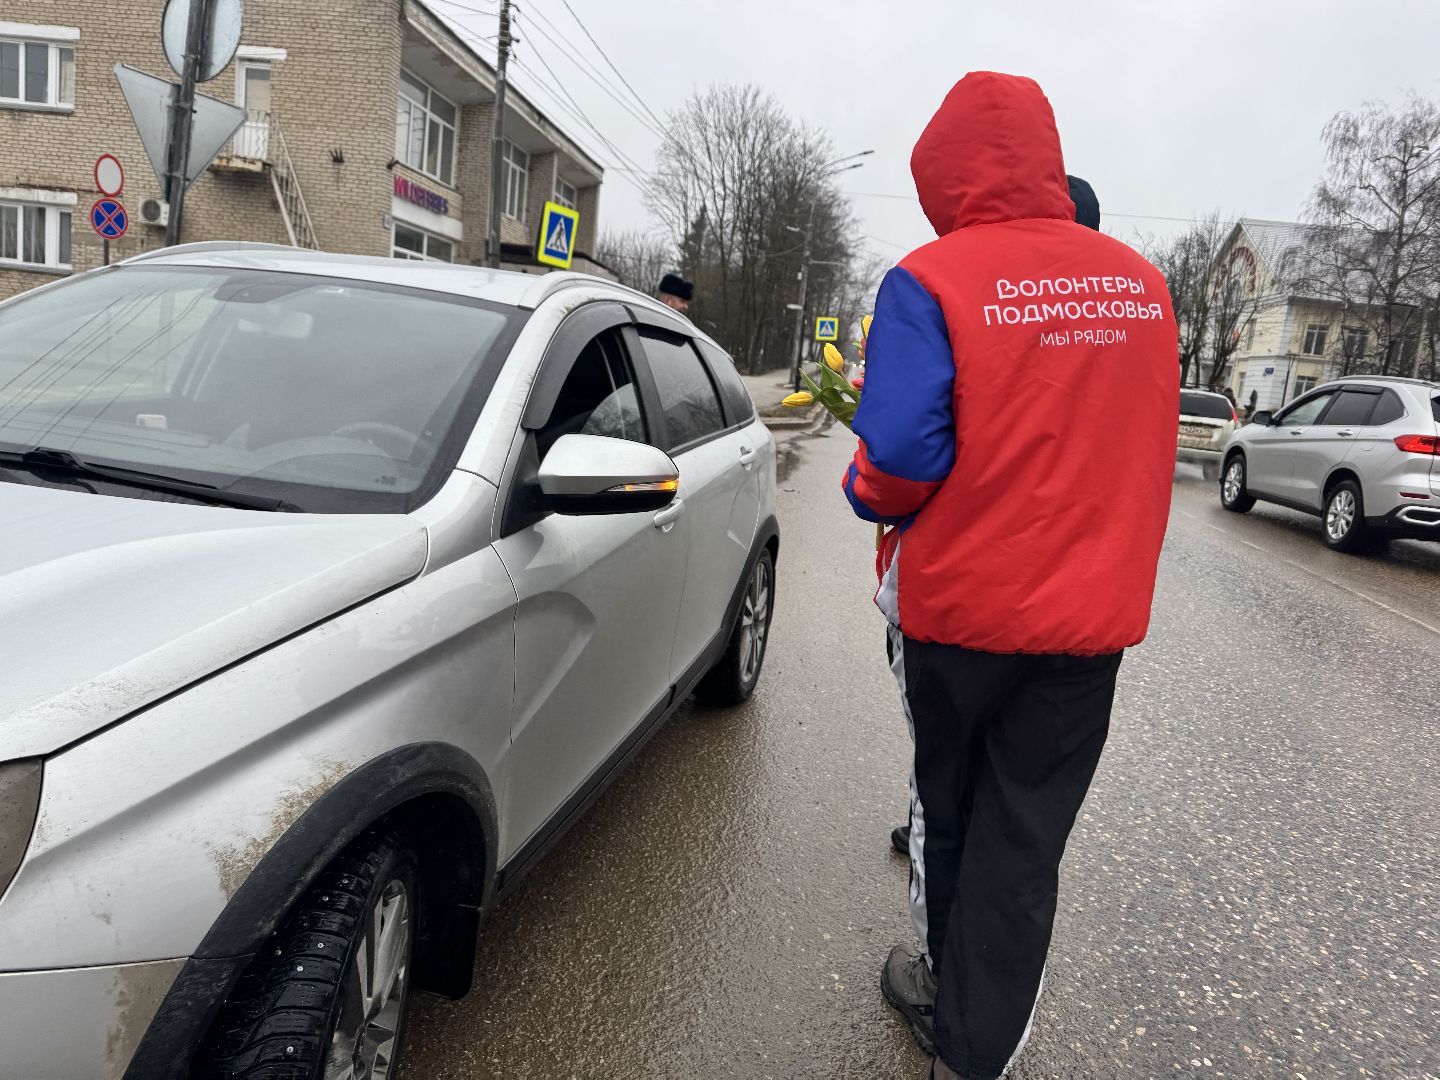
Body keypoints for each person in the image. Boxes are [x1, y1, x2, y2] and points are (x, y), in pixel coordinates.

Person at [842, 72, 1178, 1079]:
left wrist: (864, 488)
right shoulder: (1142, 286)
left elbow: (899, 460)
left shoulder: (930, 280)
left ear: (943, 174)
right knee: (1023, 835)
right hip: (1088, 625)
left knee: (946, 810)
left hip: (958, 615)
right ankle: (976, 1049)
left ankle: (939, 984)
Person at [888, 168, 1102, 859]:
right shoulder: (1124, 314)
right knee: (1023, 818)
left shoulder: (978, 297)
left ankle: (938, 855)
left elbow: (906, 458)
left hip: (975, 596)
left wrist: (870, 495)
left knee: (948, 775)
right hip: (1082, 611)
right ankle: (988, 912)